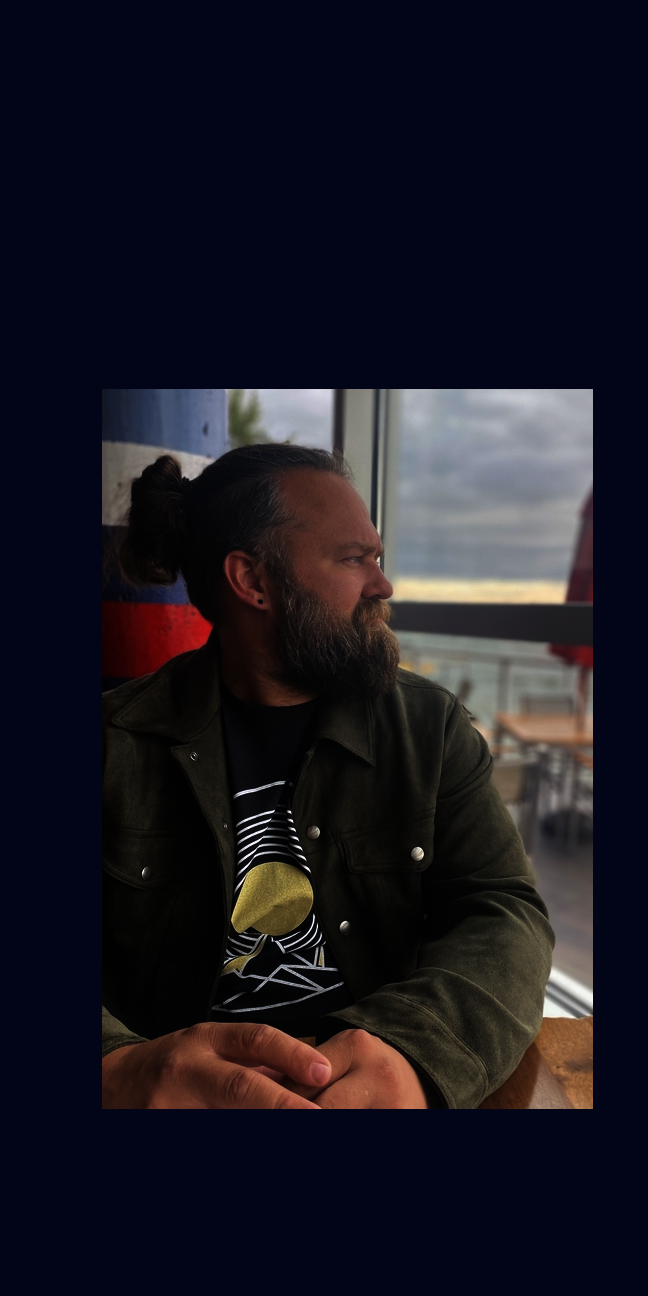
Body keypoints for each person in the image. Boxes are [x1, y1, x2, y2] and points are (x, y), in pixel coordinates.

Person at [102, 444, 554, 1109]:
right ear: (252, 581)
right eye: (353, 558)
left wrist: (417, 1051)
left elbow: (502, 909)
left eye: (377, 557)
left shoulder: (428, 729)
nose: (382, 585)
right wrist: (118, 1066)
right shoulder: (114, 745)